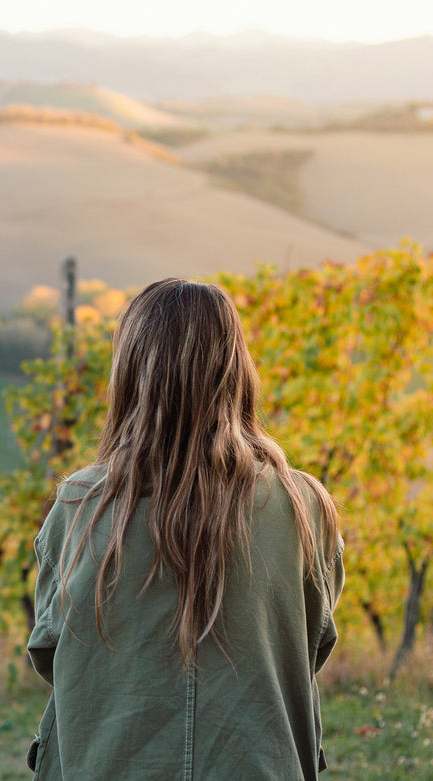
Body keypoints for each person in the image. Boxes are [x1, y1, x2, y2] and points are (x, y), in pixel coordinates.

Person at [26, 278, 344, 780]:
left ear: (131, 374)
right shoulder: (303, 507)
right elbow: (311, 647)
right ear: (236, 369)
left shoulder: (79, 507)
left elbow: (50, 654)